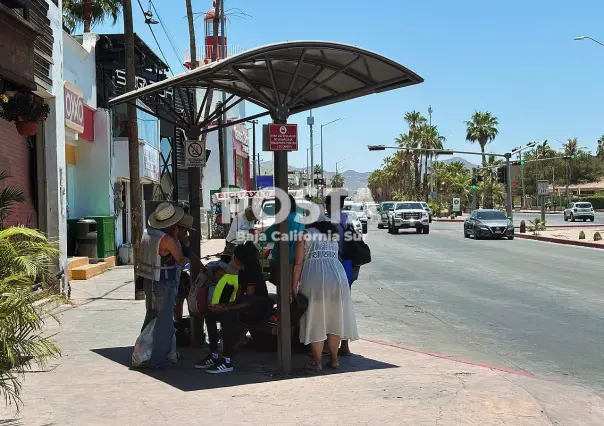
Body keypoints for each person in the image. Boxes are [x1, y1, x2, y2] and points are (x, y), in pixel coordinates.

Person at [291, 208, 359, 372]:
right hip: (337, 276)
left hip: (315, 276)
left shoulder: (305, 234)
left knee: (316, 318)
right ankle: (334, 360)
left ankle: (317, 362)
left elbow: (298, 264)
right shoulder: (332, 235)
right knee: (334, 318)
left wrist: (293, 286)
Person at [194, 242, 271, 374]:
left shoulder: (253, 274)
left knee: (229, 318)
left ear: (238, 258)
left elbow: (249, 301)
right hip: (247, 307)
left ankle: (227, 360)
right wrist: (223, 306)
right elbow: (239, 298)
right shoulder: (242, 272)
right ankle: (213, 354)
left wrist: (227, 309)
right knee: (210, 314)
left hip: (258, 310)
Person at [137, 202, 187, 369]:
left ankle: (144, 352)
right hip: (164, 282)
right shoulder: (167, 240)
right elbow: (179, 258)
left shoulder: (148, 233)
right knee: (164, 321)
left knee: (151, 316)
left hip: (149, 280)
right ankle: (157, 359)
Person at [325, 192, 360, 357]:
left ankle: (328, 345)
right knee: (345, 304)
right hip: (350, 266)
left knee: (330, 306)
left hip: (335, 266)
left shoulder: (327, 222)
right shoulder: (347, 219)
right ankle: (344, 345)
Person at [263, 194, 306, 283]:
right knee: (293, 289)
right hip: (298, 260)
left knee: (282, 290)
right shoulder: (301, 219)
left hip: (281, 260)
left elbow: (267, 236)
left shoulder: (281, 220)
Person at [174, 213, 195, 321]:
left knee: (187, 299)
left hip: (184, 273)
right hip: (179, 274)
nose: (186, 233)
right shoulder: (175, 241)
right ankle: (179, 323)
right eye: (185, 230)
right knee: (180, 300)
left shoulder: (182, 240)